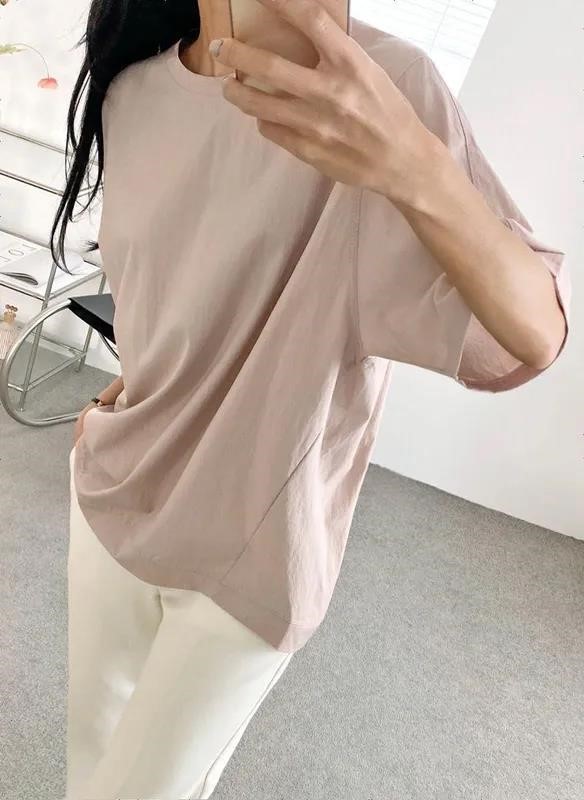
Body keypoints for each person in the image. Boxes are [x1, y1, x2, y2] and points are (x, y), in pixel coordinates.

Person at [51, 0, 570, 797]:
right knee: (87, 764)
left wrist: (418, 169)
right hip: (113, 491)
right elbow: (166, 290)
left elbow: (528, 337)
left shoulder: (386, 88)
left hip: (250, 551)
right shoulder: (134, 93)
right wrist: (129, 393)